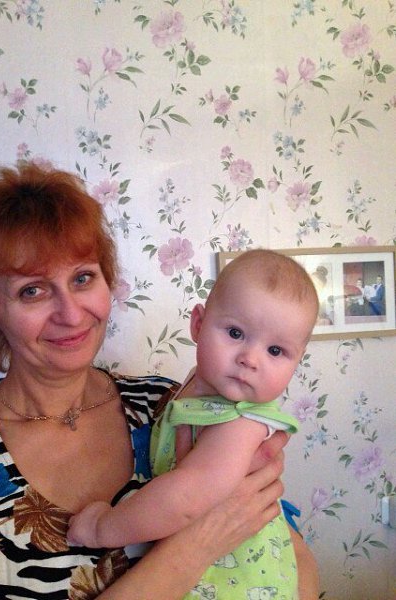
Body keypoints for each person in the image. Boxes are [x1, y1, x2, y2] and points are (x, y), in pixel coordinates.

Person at [0, 163, 319, 600]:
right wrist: (194, 547)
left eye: (82, 278)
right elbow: (215, 522)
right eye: (33, 290)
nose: (71, 313)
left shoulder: (167, 404)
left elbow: (294, 560)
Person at [68, 249, 320, 599]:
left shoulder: (241, 422)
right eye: (235, 333)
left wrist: (102, 527)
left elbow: (185, 499)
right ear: (198, 324)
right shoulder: (195, 389)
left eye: (275, 351)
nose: (250, 359)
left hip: (241, 588)